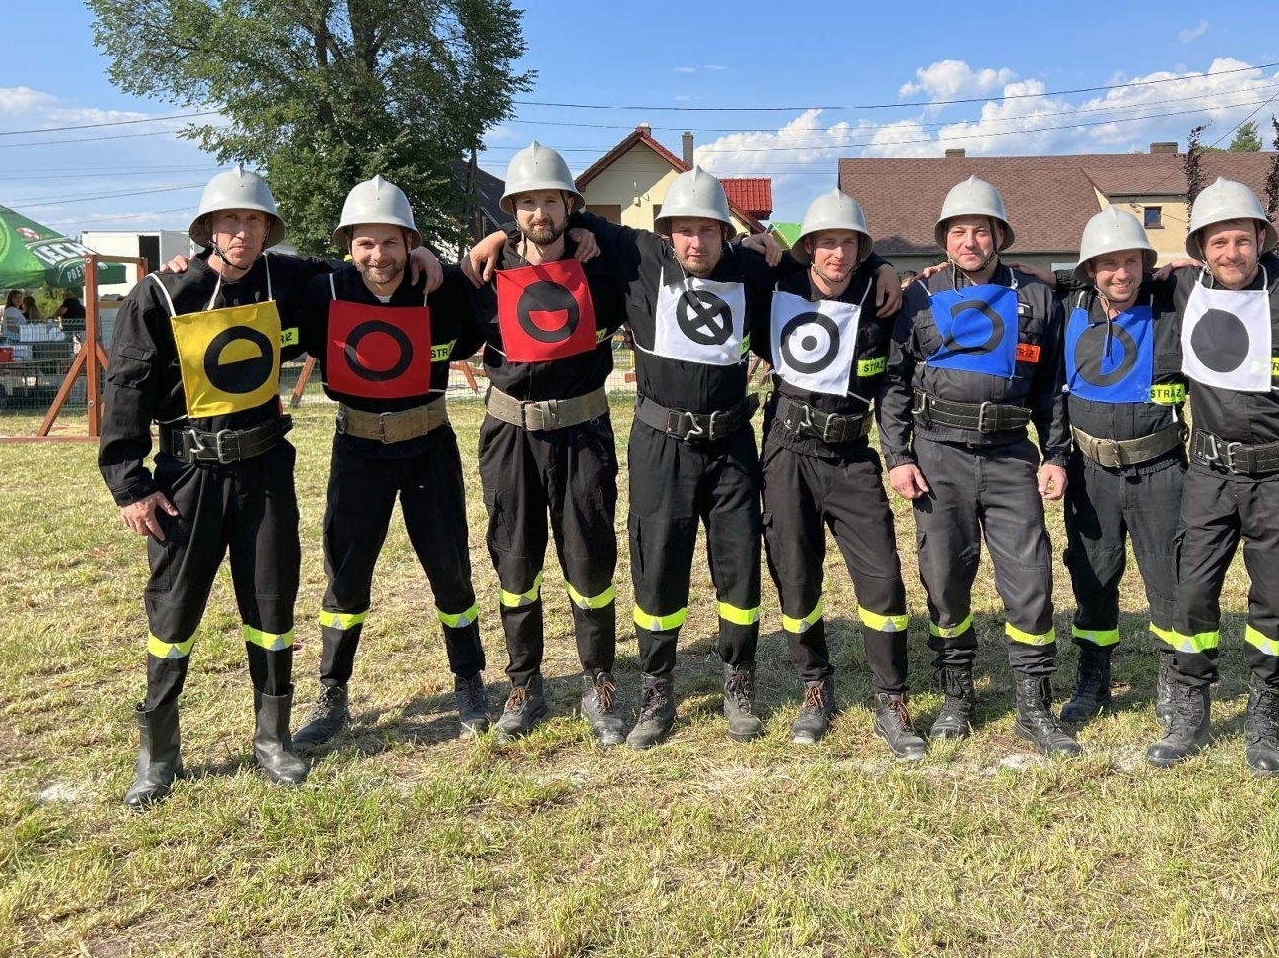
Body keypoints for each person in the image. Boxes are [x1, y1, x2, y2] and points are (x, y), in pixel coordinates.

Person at [100, 166, 444, 807]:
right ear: (206, 229)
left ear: (267, 230)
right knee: (173, 616)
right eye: (228, 221)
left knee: (271, 606)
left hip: (263, 472)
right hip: (186, 477)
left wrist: (419, 249)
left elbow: (359, 264)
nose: (241, 232)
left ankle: (273, 738)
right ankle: (159, 752)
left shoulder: (284, 278)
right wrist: (129, 483)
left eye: (253, 221)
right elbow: (125, 388)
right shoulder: (163, 293)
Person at [568, 169, 902, 748]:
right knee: (658, 569)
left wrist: (884, 266)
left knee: (740, 569)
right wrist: (497, 240)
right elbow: (556, 215)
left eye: (707, 230)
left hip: (731, 446)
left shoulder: (753, 269)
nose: (695, 243)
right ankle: (656, 688)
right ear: (668, 232)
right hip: (659, 443)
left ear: (727, 232)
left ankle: (738, 682)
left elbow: (830, 265)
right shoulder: (638, 254)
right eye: (684, 231)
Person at [879, 176, 1080, 757]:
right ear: (945, 239)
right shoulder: (918, 296)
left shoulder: (1038, 298)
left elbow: (1052, 388)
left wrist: (1056, 453)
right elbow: (893, 381)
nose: (970, 241)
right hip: (938, 451)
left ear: (1000, 236)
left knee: (1030, 579)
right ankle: (956, 693)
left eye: (981, 230)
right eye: (959, 231)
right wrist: (899, 456)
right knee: (943, 577)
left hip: (1011, 454)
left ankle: (1033, 706)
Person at [291, 177, 490, 749]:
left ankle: (469, 678)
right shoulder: (323, 289)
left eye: (392, 243)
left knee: (450, 570)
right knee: (346, 575)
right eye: (365, 244)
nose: (379, 257)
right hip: (357, 449)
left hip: (429, 444)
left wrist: (444, 261)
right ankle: (332, 691)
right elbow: (268, 267)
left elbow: (486, 300)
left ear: (410, 242)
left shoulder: (441, 288)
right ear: (348, 244)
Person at [1146, 178, 1279, 777]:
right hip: (1209, 471)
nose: (1231, 254)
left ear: (1261, 238)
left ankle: (1266, 708)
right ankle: (1190, 704)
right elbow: (1098, 276)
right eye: (1216, 242)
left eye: (1240, 240)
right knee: (1193, 591)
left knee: (1273, 599)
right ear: (1200, 247)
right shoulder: (1177, 286)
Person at [464, 143, 630, 745]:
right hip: (510, 434)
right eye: (527, 202)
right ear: (513, 210)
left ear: (569, 206)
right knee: (515, 558)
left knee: (590, 557)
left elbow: (647, 247)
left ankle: (598, 678)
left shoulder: (601, 270)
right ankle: (523, 682)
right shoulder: (486, 274)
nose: (540, 212)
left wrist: (590, 230)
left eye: (551, 201)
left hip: (582, 431)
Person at [760, 190, 927, 759]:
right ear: (808, 247)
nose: (836, 253)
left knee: (882, 577)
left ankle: (891, 697)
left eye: (848, 242)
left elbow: (896, 385)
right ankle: (815, 688)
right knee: (796, 577)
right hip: (788, 449)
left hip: (854, 456)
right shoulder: (777, 285)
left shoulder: (883, 299)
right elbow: (714, 255)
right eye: (826, 241)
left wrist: (884, 268)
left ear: (862, 248)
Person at [1056, 207, 1187, 728]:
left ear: (1145, 263)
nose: (1121, 273)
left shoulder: (1173, 304)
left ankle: (1175, 680)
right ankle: (1093, 677)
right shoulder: (1068, 309)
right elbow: (1022, 280)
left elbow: (1235, 270)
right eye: (1108, 263)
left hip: (1161, 470)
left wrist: (1191, 264)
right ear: (1091, 270)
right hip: (1090, 472)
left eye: (1131, 261)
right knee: (1092, 579)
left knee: (1169, 580)